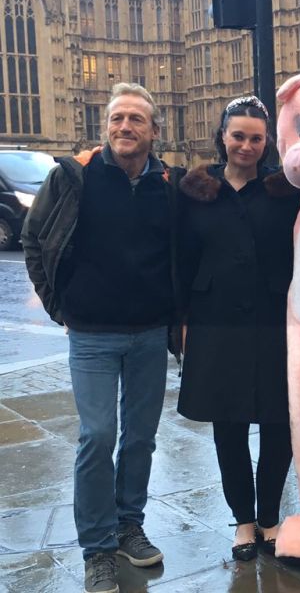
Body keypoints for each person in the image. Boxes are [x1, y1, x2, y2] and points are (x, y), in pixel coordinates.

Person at [22, 83, 181, 593]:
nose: (124, 127)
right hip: (91, 333)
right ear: (106, 126)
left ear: (154, 131)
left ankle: (127, 525)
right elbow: (33, 238)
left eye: (136, 119)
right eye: (116, 119)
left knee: (140, 438)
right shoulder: (74, 177)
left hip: (150, 333)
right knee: (96, 437)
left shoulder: (168, 185)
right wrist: (57, 304)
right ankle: (97, 548)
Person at [176, 96, 300, 561]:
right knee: (227, 426)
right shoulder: (194, 189)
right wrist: (183, 321)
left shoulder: (284, 190)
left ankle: (270, 517)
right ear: (222, 137)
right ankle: (244, 522)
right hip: (215, 321)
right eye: (238, 135)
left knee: (278, 424)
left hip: (274, 319)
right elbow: (182, 259)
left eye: (255, 137)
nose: (245, 145)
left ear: (267, 142)